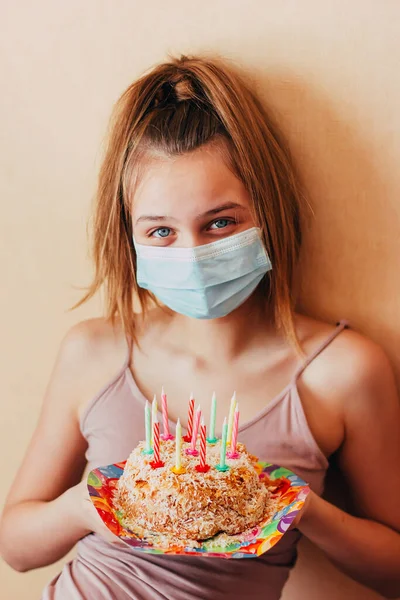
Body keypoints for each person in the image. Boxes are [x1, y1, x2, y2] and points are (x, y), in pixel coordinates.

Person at [1, 53, 399, 600]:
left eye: (221, 222)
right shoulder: (95, 352)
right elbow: (16, 548)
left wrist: (294, 507)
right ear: (131, 237)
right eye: (161, 232)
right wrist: (93, 505)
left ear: (269, 214)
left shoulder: (342, 371)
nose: (192, 253)